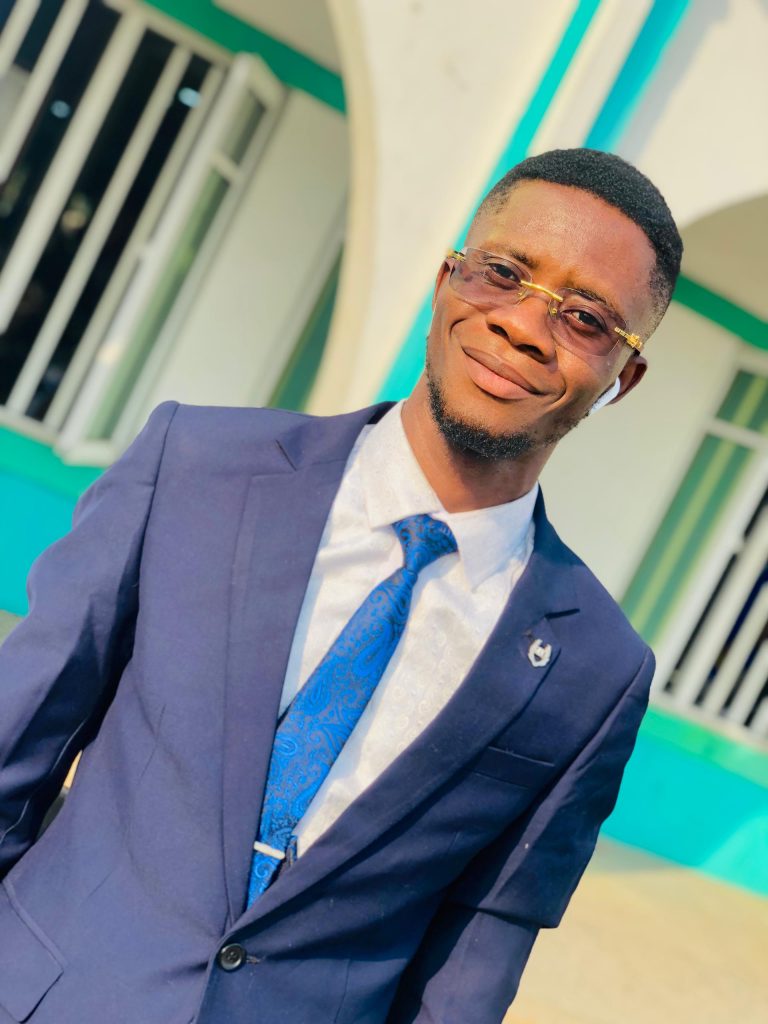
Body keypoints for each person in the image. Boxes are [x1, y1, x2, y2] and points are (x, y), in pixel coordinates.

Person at [0, 147, 682, 1024]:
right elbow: (16, 745)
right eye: (504, 274)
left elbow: (472, 968)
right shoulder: (195, 468)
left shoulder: (595, 673)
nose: (523, 326)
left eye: (586, 318)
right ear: (447, 280)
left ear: (622, 379)